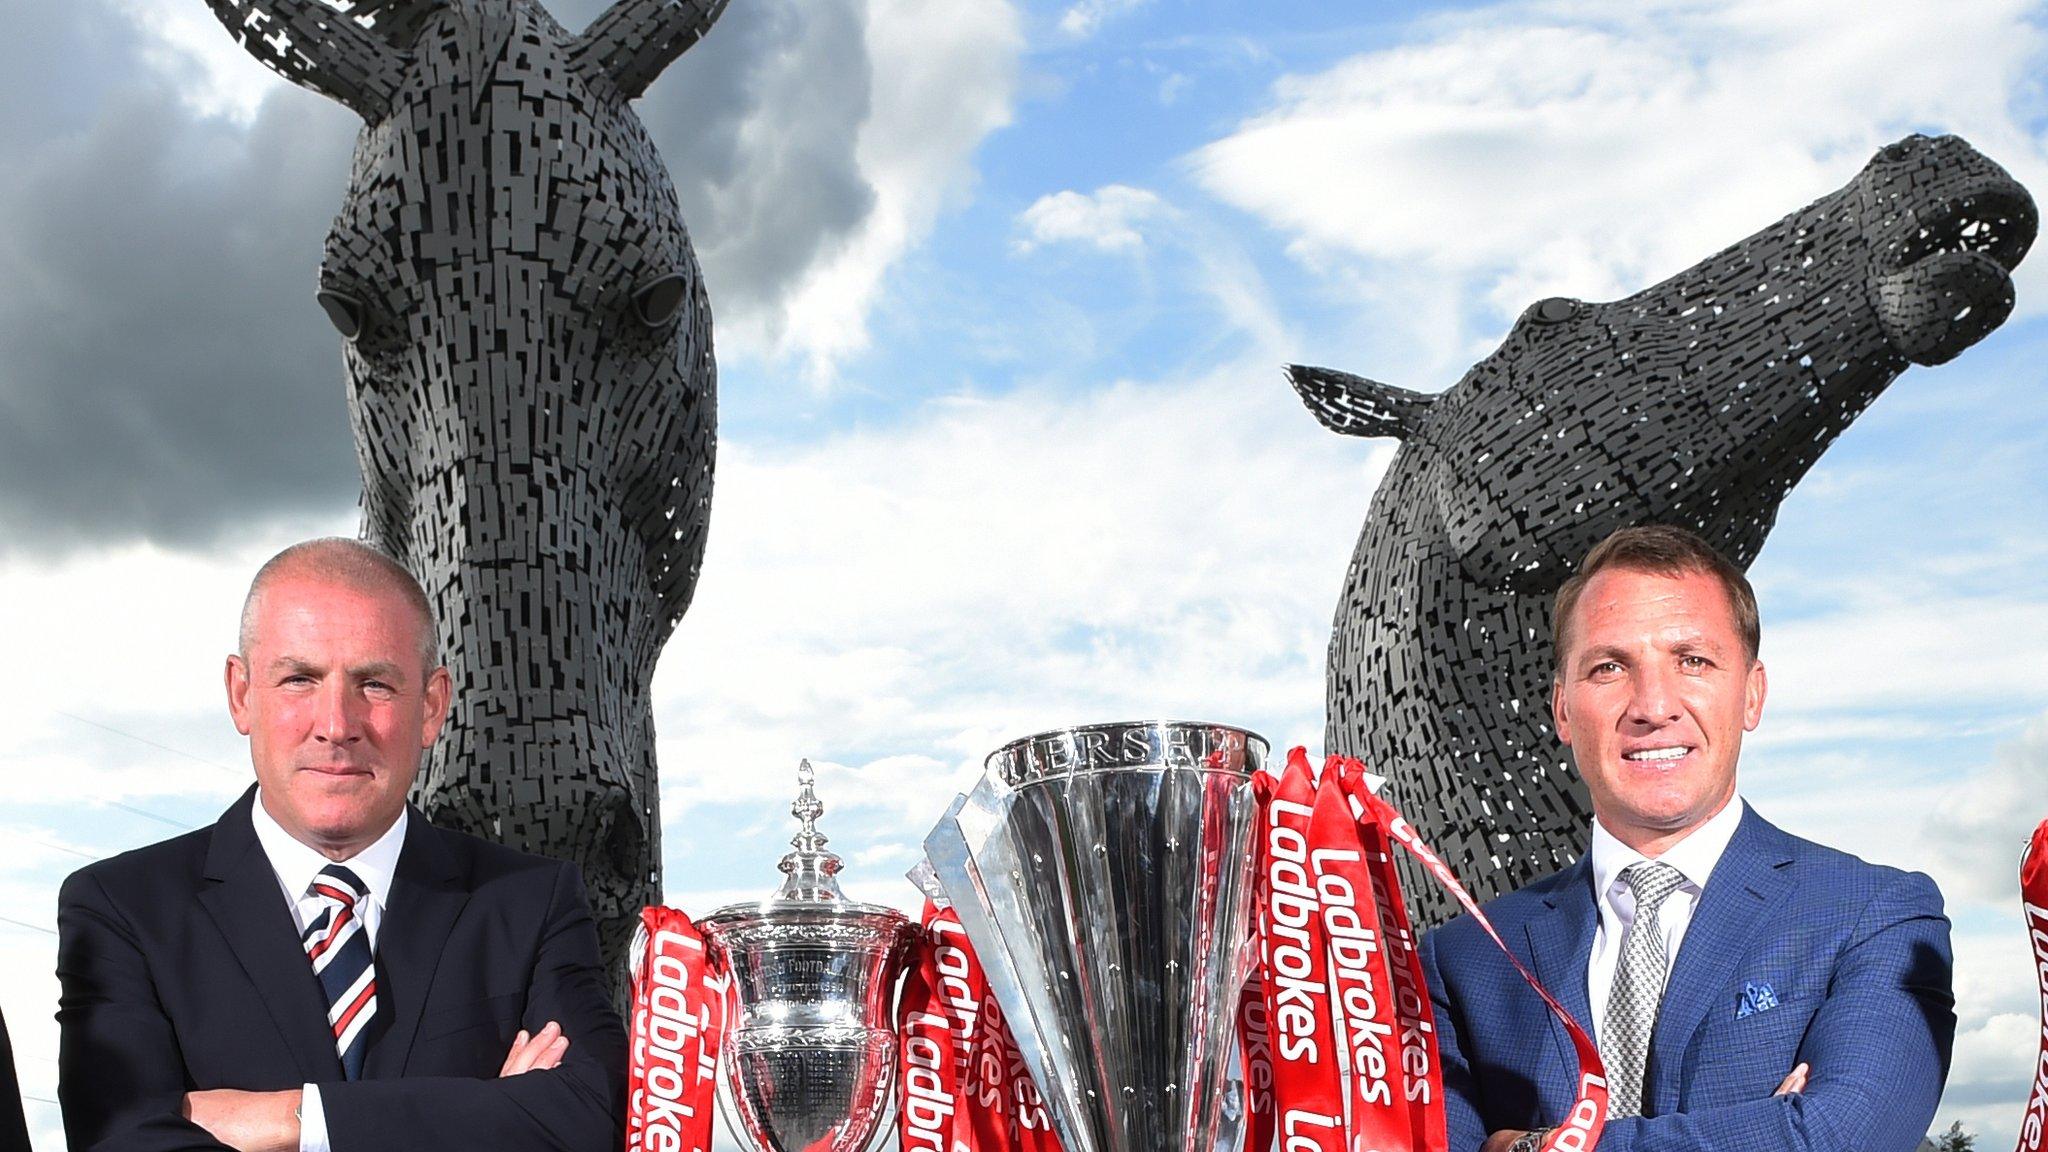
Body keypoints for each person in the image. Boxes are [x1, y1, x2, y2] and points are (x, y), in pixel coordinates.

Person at [57, 538, 624, 1152]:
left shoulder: (530, 904)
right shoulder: (123, 911)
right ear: (241, 693)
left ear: (432, 706)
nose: (336, 724)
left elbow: (590, 1118)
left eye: (375, 684)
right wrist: (490, 1111)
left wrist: (297, 1120)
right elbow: (122, 1141)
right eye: (299, 679)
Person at [1420, 525, 1953, 1152]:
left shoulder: (1876, 916)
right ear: (1562, 709)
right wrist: (1762, 1130)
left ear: (1751, 694)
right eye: (1609, 667)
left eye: (1692, 661)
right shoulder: (1464, 960)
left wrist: (1525, 1147)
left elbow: (1837, 1137)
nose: (1653, 705)